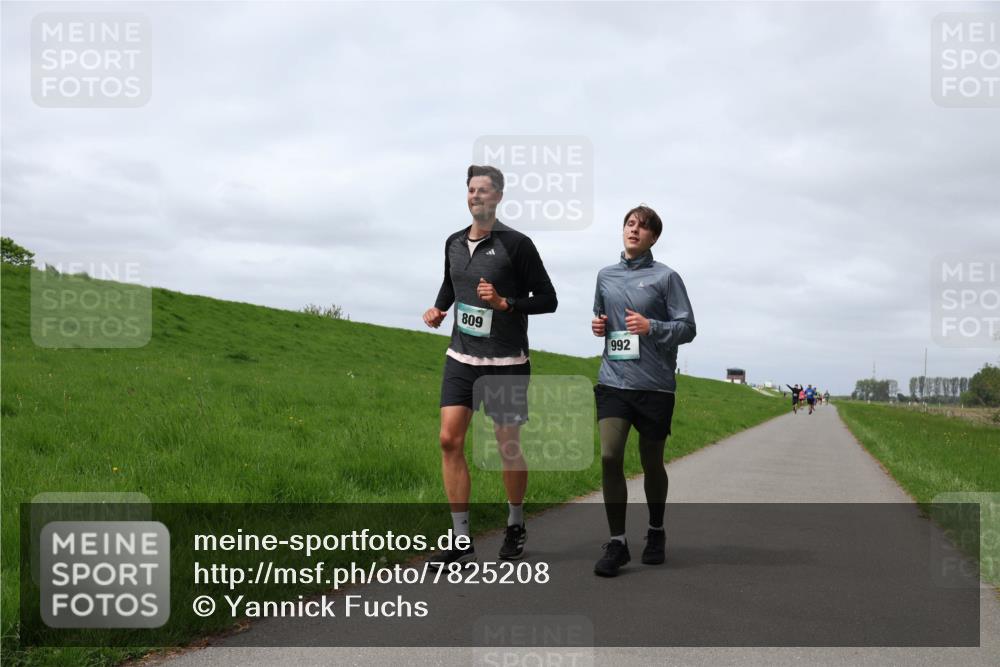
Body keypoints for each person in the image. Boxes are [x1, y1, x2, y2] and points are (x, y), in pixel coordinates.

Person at [422, 165, 558, 566]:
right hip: (461, 357)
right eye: (471, 190)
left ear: (498, 196)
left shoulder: (517, 245)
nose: (476, 196)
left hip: (506, 361)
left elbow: (548, 299)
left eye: (483, 190)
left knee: (506, 446)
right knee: (449, 440)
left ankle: (515, 523)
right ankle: (461, 541)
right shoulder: (453, 242)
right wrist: (438, 308)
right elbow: (452, 282)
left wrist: (505, 303)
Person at [590, 204, 696, 577]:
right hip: (613, 381)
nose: (634, 230)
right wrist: (599, 327)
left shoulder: (667, 278)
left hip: (654, 386)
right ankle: (617, 542)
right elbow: (602, 317)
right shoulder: (605, 276)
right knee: (609, 456)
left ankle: (655, 531)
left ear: (654, 237)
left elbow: (688, 328)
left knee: (651, 462)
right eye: (630, 224)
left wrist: (653, 327)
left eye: (643, 226)